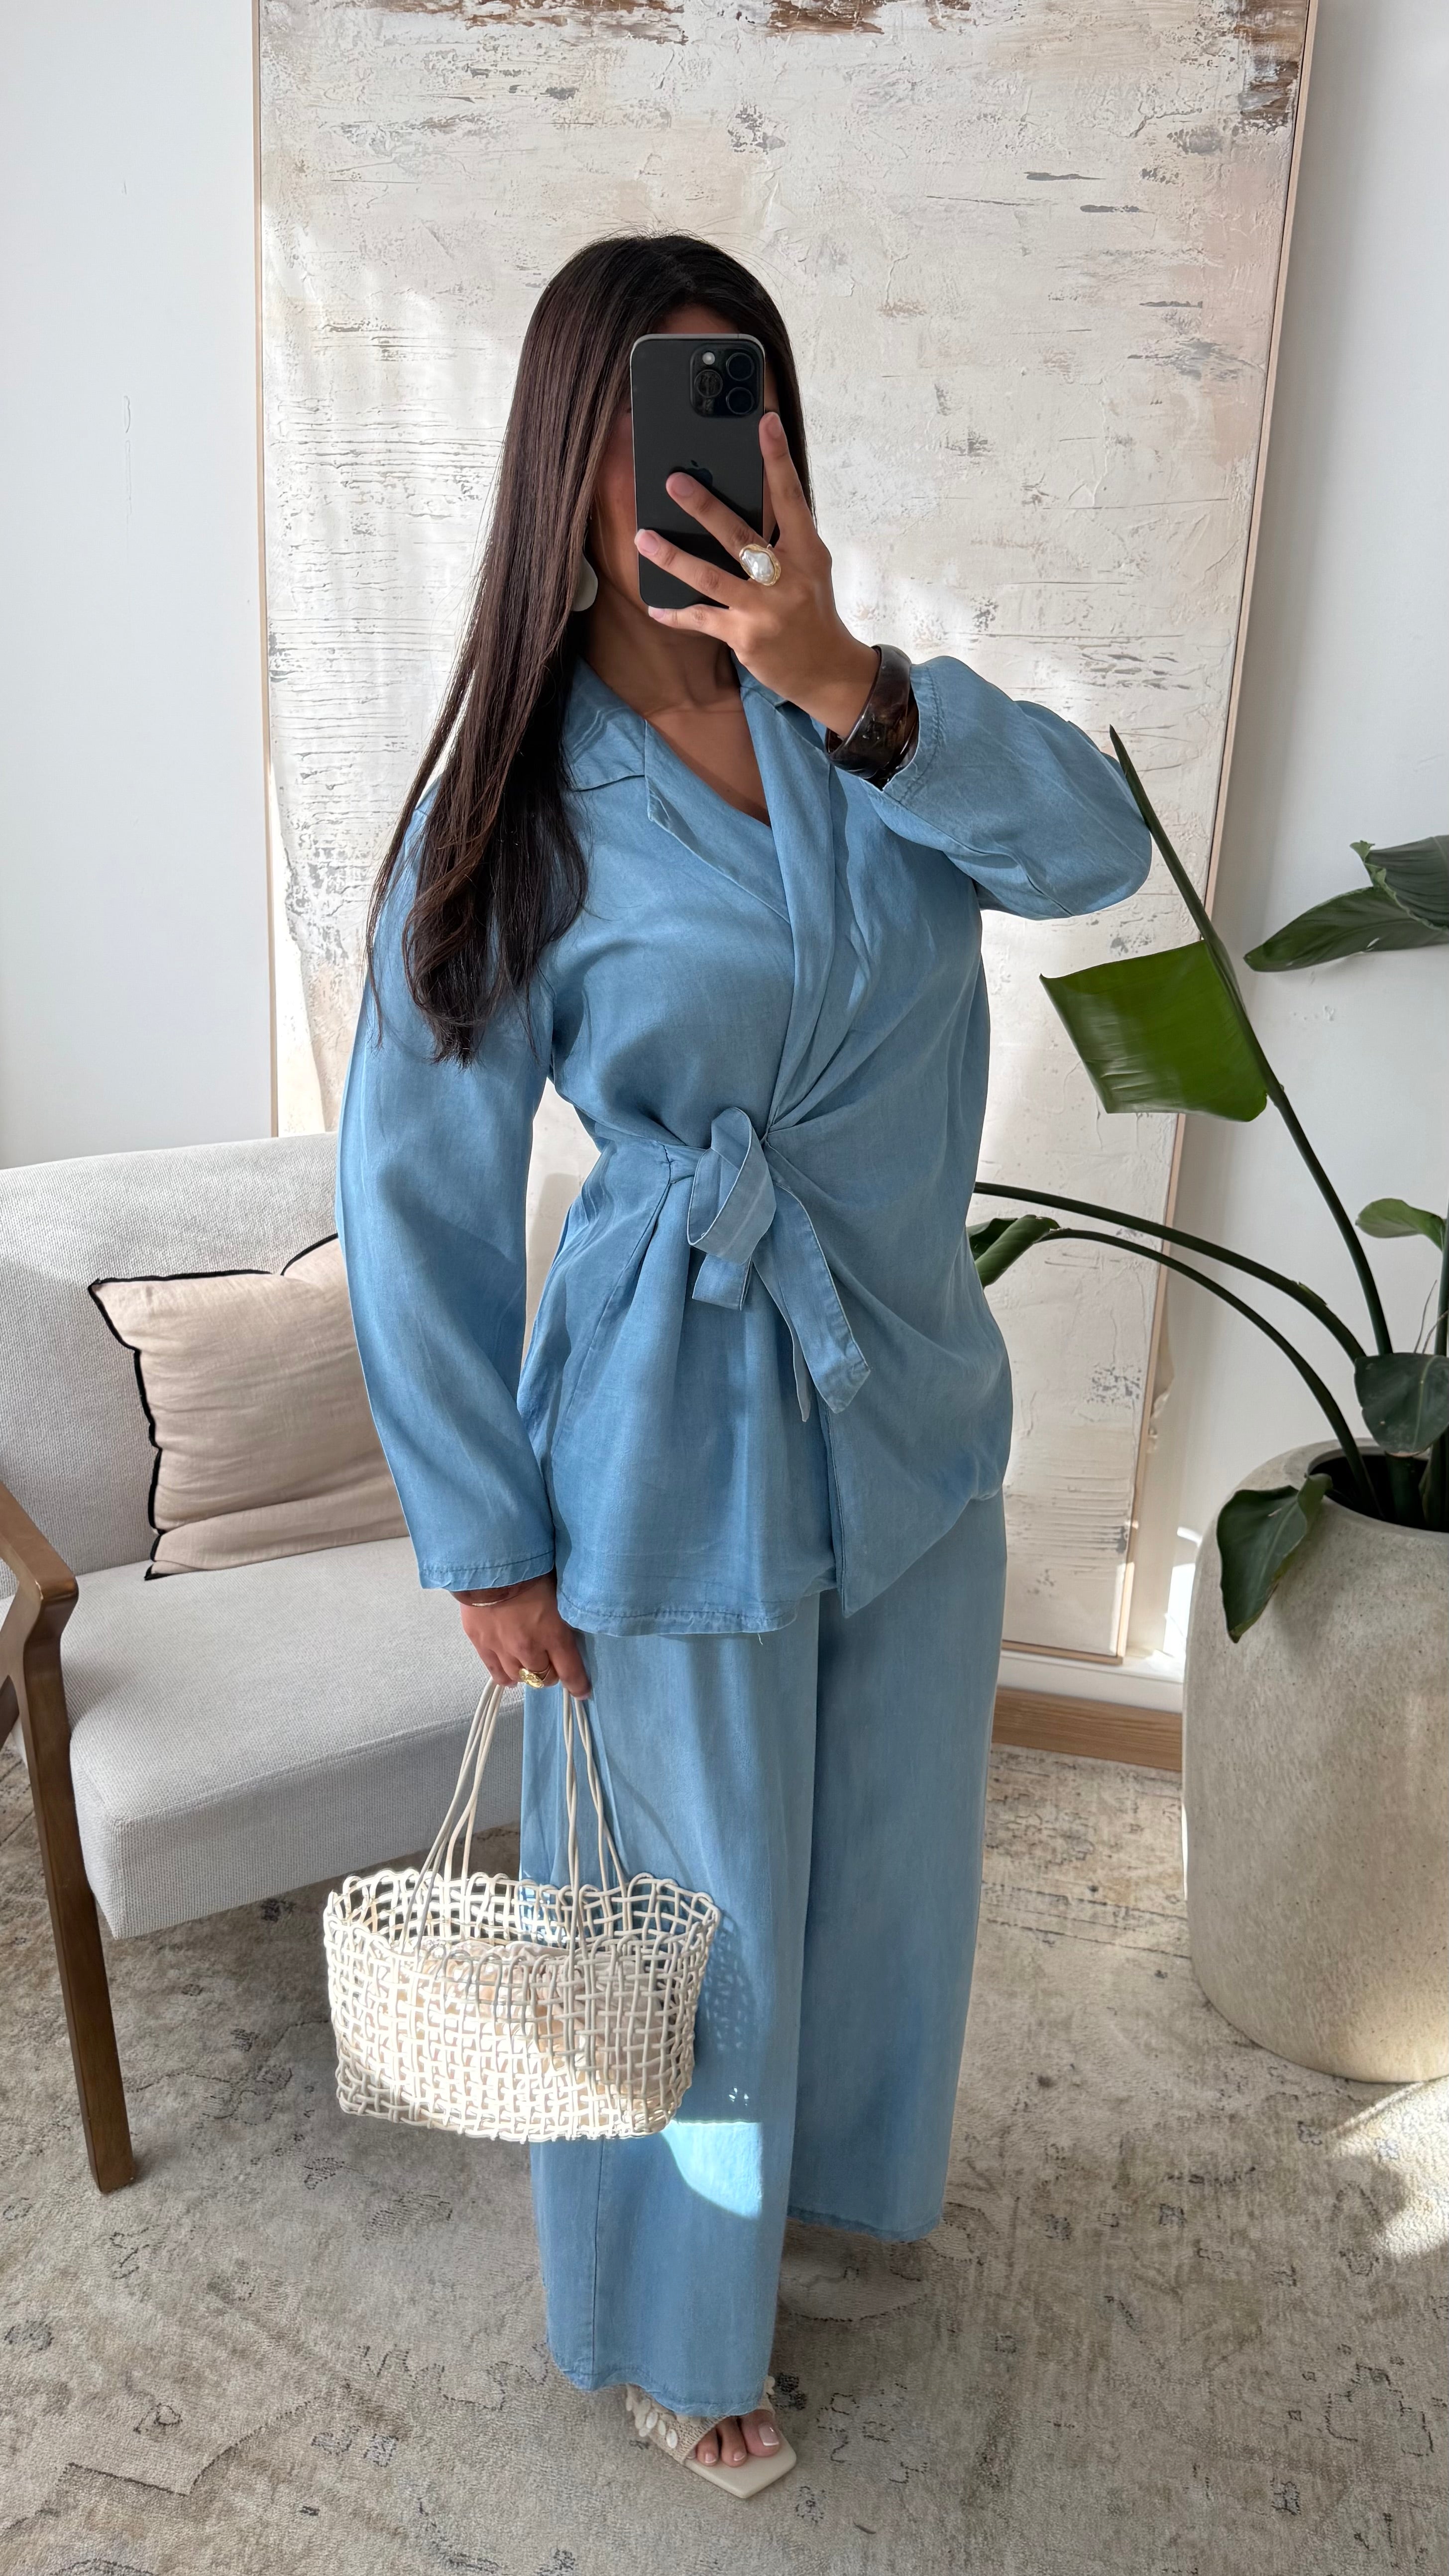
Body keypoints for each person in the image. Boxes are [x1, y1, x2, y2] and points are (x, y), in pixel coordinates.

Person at [335, 231, 1150, 2499]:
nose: (695, 463)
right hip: (666, 1437)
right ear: (566, 462)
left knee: (884, 1866)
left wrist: (847, 679)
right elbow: (410, 1184)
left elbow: (1094, 853)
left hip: (904, 1400)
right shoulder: (514, 804)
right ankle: (672, 2327)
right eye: (646, 421)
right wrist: (482, 1533)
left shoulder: (871, 724)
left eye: (735, 405)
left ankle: (828, 2198)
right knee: (684, 1915)